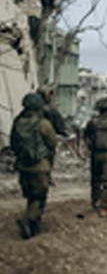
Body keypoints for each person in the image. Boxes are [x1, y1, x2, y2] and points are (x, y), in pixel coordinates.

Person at [10, 92, 57, 239]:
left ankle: (34, 227)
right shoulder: (43, 124)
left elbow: (13, 144)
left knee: (30, 195)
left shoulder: (17, 123)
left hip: (23, 166)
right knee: (39, 196)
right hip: (40, 167)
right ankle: (28, 219)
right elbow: (53, 143)